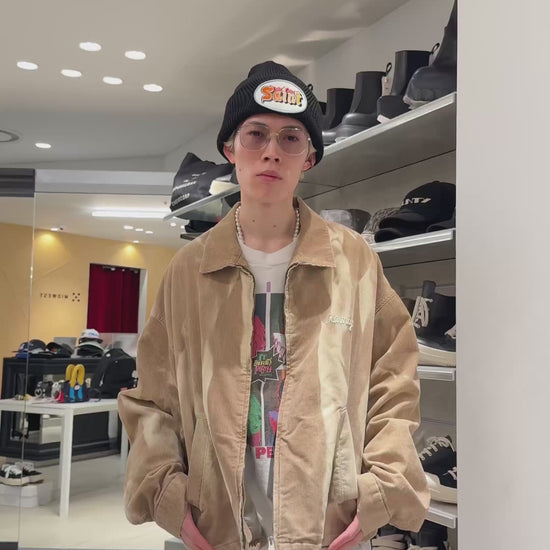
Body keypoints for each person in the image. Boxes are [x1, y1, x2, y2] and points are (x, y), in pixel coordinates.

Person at [118, 61, 429, 550]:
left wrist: (382, 490)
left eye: (291, 138)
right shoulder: (190, 269)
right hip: (219, 522)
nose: (271, 151)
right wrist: (166, 495)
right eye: (256, 134)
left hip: (328, 523)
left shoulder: (353, 260)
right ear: (230, 148)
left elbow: (394, 382)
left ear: (309, 157)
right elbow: (153, 398)